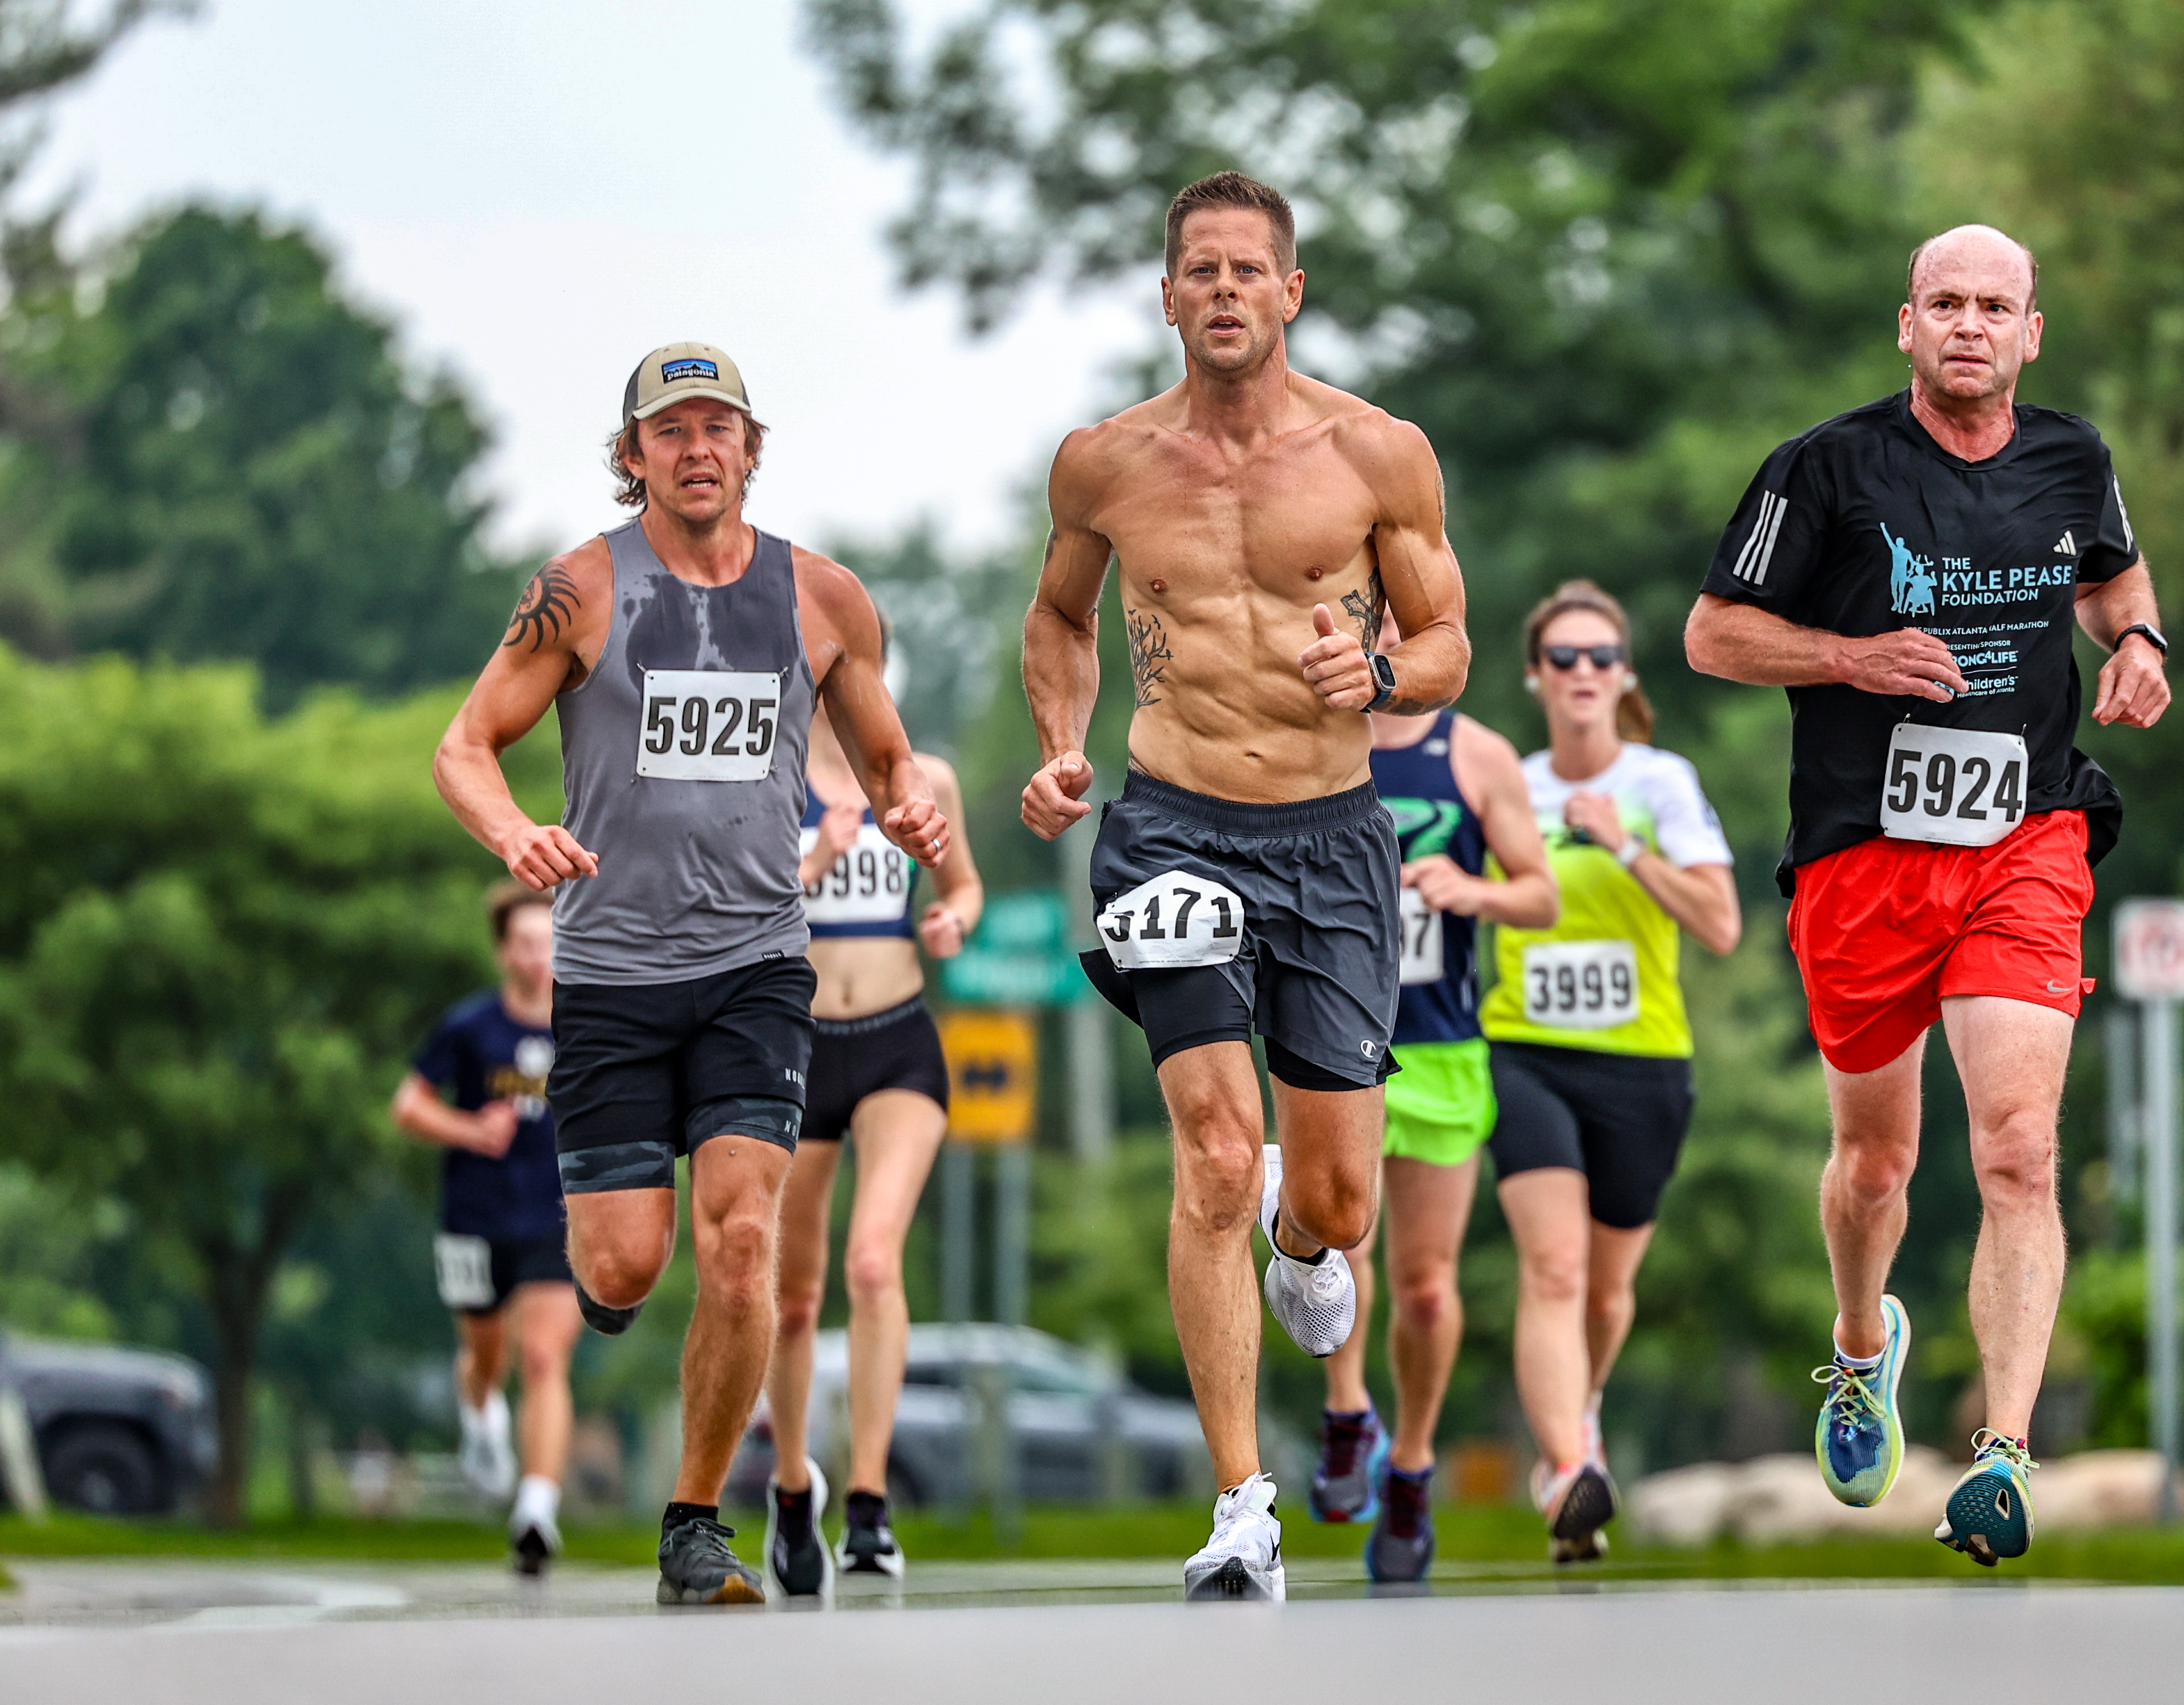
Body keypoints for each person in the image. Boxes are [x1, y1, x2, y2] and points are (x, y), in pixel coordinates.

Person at [1686, 223, 2171, 1568]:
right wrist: (1849, 657)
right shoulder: (1824, 469)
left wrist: (2136, 639)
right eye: (1945, 302)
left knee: (2017, 1148)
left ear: (2031, 331)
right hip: (1863, 854)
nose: (1969, 323)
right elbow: (1713, 633)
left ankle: (2000, 1455)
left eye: (1994, 304)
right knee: (1876, 1164)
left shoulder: (2072, 458)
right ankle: (1862, 1342)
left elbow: (2110, 575)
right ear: (1907, 325)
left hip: (2027, 835)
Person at [435, 342, 949, 1608]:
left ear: (752, 446)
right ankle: (616, 1269)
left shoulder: (823, 597)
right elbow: (463, 745)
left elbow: (888, 760)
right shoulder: (579, 591)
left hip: (760, 965)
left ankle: (693, 1517)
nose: (698, 447)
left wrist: (916, 815)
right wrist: (515, 834)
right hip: (611, 971)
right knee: (620, 1267)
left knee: (742, 1246)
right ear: (633, 457)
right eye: (672, 430)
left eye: (719, 426)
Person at [1021, 170, 1472, 1602]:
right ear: (1168, 299)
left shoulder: (1377, 453)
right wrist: (1058, 746)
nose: (1222, 291)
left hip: (1333, 836)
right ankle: (1240, 1506)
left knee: (1335, 1198)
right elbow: (1057, 615)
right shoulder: (1103, 461)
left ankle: (1301, 1238)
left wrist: (1386, 671)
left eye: (1246, 270)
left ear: (1290, 292)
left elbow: (1449, 634)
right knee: (1213, 1151)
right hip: (1169, 827)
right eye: (1196, 271)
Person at [1480, 582, 1741, 1563]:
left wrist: (1621, 844)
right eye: (1564, 658)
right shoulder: (1505, 779)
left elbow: (1719, 926)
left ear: (1623, 675)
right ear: (1536, 678)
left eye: (1600, 657)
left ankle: (1579, 1411)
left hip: (1643, 1064)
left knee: (1605, 1293)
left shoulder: (1661, 782)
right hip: (1524, 1052)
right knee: (1552, 1268)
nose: (1582, 673)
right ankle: (1566, 1466)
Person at [1305, 613, 1556, 1583]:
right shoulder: (1318, 735)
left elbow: (1540, 894)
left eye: (1414, 617)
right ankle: (1343, 1410)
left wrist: (1470, 889)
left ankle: (1409, 1463)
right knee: (1335, 1238)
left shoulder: (1478, 753)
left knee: (1424, 1284)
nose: (1393, 631)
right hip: (1335, 1034)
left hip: (1446, 1046)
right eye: (1378, 610)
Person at [754, 713, 985, 1591]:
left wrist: (953, 923)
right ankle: (789, 1491)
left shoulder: (923, 776)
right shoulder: (770, 778)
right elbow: (730, 901)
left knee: (874, 1263)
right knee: (793, 1293)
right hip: (796, 1043)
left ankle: (869, 1504)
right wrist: (812, 865)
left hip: (898, 1041)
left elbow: (963, 887)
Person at [390, 881, 577, 1575]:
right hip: (474, 1218)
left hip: (558, 1219)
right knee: (485, 1356)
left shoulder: (585, 1024)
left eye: (549, 941)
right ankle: (481, 1417)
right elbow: (408, 1105)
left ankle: (536, 1507)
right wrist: (469, 1128)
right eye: (525, 943)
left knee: (544, 1357)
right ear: (504, 952)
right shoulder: (471, 1028)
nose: (538, 956)